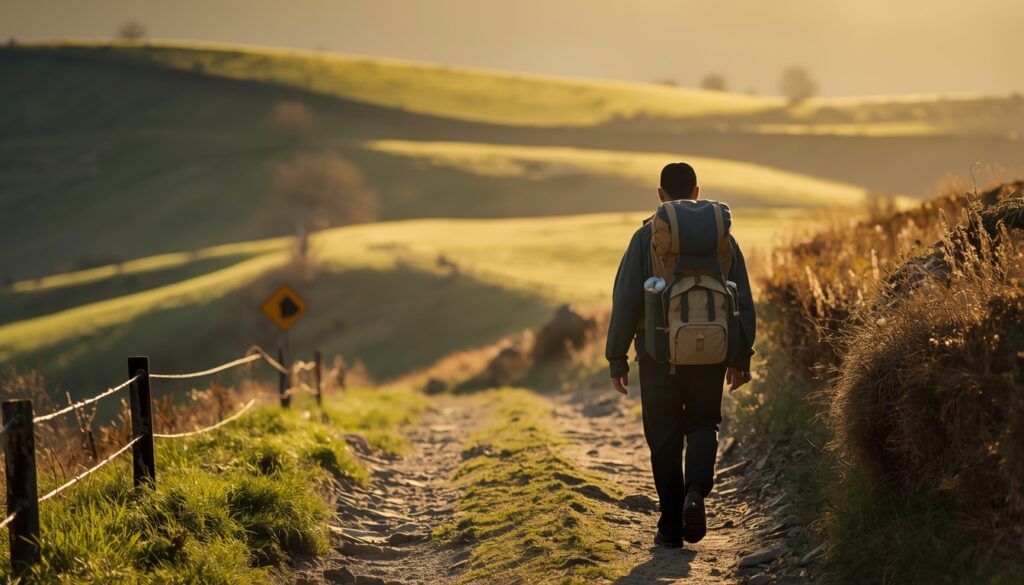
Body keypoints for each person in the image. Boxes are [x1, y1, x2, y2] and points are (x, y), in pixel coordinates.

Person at [605, 162, 756, 548]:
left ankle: (671, 525)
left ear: (660, 195)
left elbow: (626, 300)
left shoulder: (646, 237)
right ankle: (696, 492)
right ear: (696, 192)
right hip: (713, 350)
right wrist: (741, 358)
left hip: (657, 353)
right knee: (704, 423)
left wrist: (616, 358)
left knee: (664, 434)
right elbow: (742, 300)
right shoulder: (723, 238)